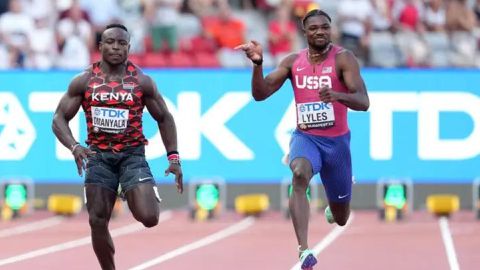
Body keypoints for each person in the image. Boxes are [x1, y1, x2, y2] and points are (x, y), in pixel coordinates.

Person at [235, 9, 369, 270]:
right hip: (306, 137)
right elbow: (260, 94)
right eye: (314, 28)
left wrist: (338, 96)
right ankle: (304, 249)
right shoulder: (292, 62)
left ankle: (335, 204)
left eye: (325, 27)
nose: (320, 31)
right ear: (304, 32)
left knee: (341, 218)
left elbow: (363, 102)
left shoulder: (344, 59)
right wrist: (258, 64)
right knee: (298, 173)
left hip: (337, 144)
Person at [52, 23, 183, 270]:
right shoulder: (84, 81)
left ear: (129, 48)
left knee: (149, 218)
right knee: (97, 220)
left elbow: (165, 117)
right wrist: (74, 146)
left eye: (122, 43)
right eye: (110, 42)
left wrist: (173, 158)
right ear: (100, 46)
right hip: (98, 156)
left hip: (132, 156)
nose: (116, 47)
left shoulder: (142, 81)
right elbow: (58, 118)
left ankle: (127, 187)